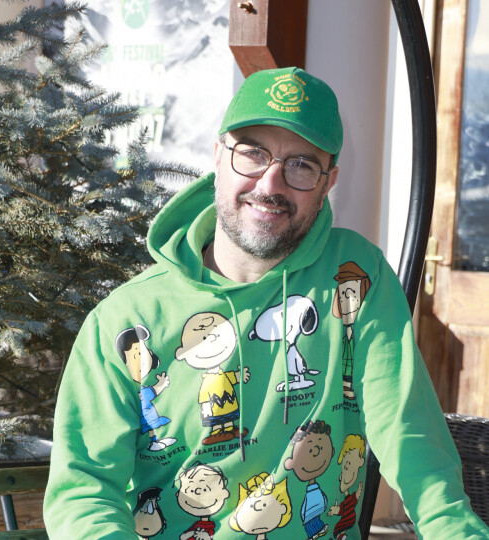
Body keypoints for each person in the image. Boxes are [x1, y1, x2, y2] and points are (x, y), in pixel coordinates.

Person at [43, 66, 489, 539]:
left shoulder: (356, 275)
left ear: (327, 182)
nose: (270, 184)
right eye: (252, 153)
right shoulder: (127, 319)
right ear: (218, 156)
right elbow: (85, 490)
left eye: (301, 165)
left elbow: (405, 424)